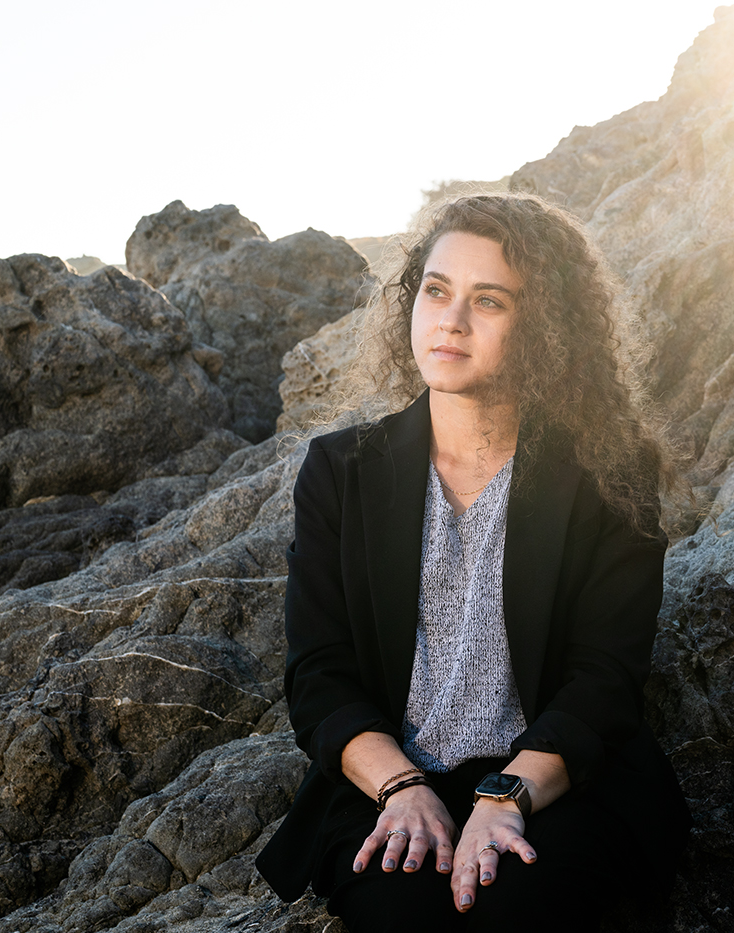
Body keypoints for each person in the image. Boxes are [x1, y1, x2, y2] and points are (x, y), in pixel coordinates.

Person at [255, 194, 690, 931]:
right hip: (390, 783)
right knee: (400, 913)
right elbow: (319, 673)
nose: (450, 320)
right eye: (435, 290)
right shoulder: (341, 471)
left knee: (518, 906)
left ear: (543, 326)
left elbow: (604, 678)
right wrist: (400, 787)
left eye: (488, 301)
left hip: (556, 783)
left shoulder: (605, 472)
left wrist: (506, 798)